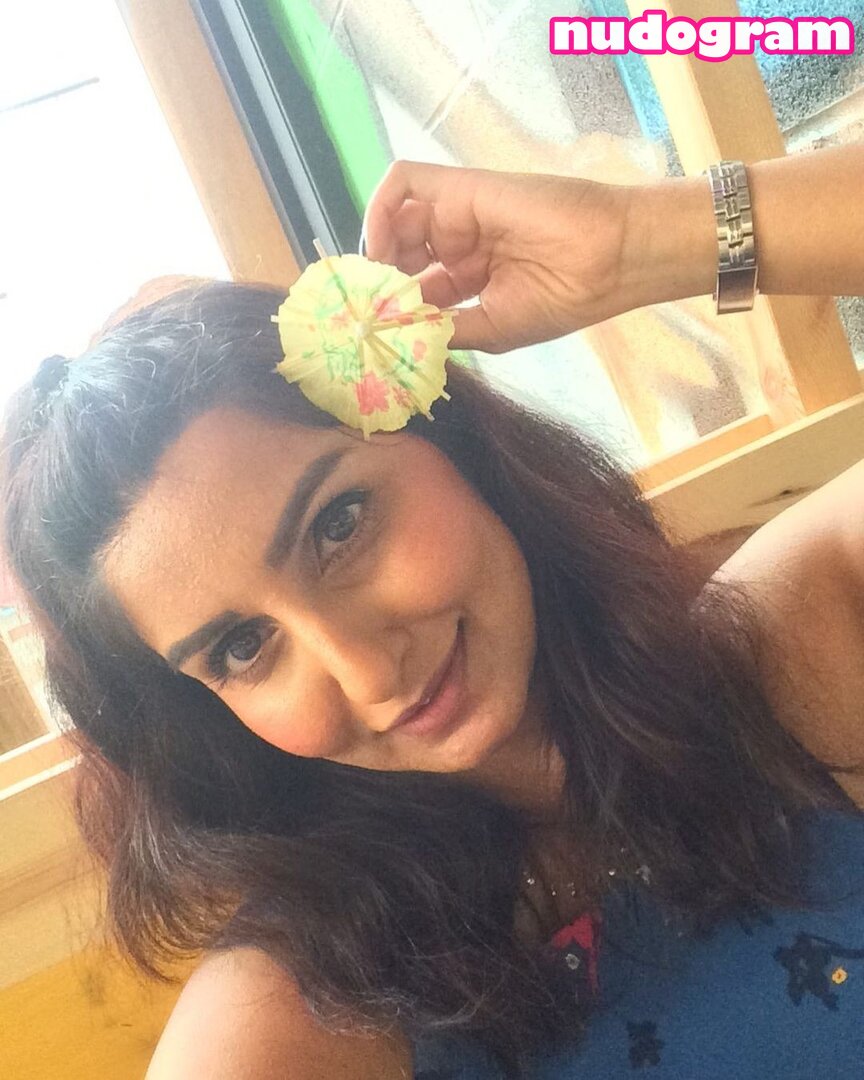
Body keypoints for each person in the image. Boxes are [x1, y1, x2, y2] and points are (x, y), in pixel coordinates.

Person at [2, 142, 863, 1079]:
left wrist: (641, 239)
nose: (367, 669)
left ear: (442, 435)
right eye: (244, 647)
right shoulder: (303, 1015)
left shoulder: (806, 634)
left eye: (339, 525)